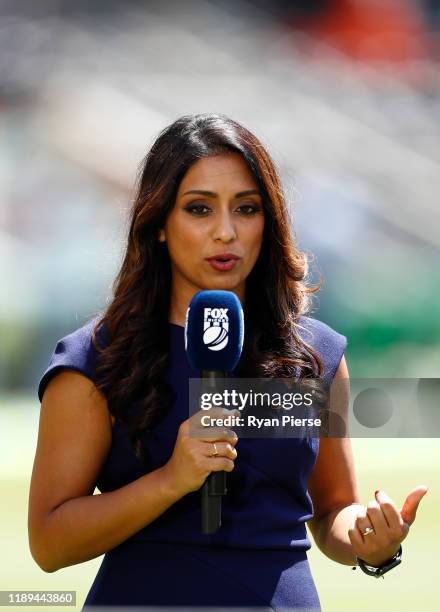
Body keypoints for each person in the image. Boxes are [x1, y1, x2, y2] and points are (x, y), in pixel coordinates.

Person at [28, 113, 428, 611]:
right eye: (199, 209)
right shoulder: (95, 359)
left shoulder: (316, 355)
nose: (225, 232)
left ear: (270, 220)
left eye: (246, 208)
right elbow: (49, 544)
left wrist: (370, 542)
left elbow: (333, 512)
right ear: (158, 225)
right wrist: (170, 480)